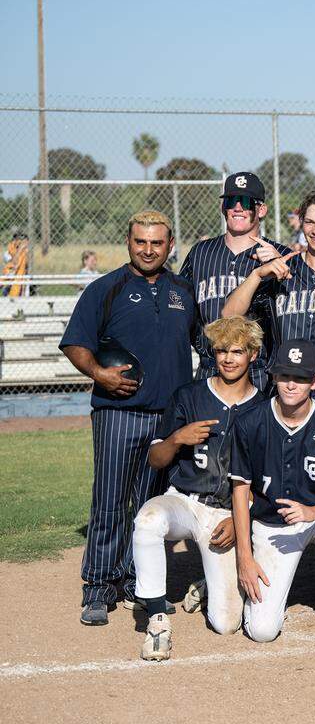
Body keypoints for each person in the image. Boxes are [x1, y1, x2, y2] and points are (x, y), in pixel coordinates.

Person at [60, 209, 196, 626]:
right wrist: (98, 373)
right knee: (110, 500)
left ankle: (141, 583)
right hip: (118, 413)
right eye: (141, 242)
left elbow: (203, 343)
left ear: (170, 245)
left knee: (151, 505)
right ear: (128, 242)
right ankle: (99, 587)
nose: (148, 250)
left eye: (157, 242)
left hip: (167, 419)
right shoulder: (106, 288)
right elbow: (75, 343)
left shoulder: (182, 290)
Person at [132, 316, 264, 660]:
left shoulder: (265, 407)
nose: (228, 359)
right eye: (221, 350)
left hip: (227, 512)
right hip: (185, 502)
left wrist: (240, 519)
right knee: (147, 521)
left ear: (253, 354)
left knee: (226, 624)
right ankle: (157, 618)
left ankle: (206, 585)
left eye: (237, 351)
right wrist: (177, 437)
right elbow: (156, 459)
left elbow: (267, 480)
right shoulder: (188, 395)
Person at [229, 338, 315, 646]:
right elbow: (240, 491)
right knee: (262, 631)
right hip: (270, 525)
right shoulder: (250, 422)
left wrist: (314, 512)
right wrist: (244, 558)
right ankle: (228, 580)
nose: (291, 385)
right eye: (285, 376)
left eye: (301, 378)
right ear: (274, 376)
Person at [222, 189, 315, 452]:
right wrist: (257, 275)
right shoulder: (283, 268)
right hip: (284, 390)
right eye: (309, 222)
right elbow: (228, 316)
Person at [178, 172, 286, 389]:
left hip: (258, 373)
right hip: (209, 367)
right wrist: (201, 344)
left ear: (261, 210)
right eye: (230, 201)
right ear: (223, 208)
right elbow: (182, 306)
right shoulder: (201, 252)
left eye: (246, 202)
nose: (237, 208)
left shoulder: (280, 255)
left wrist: (280, 266)